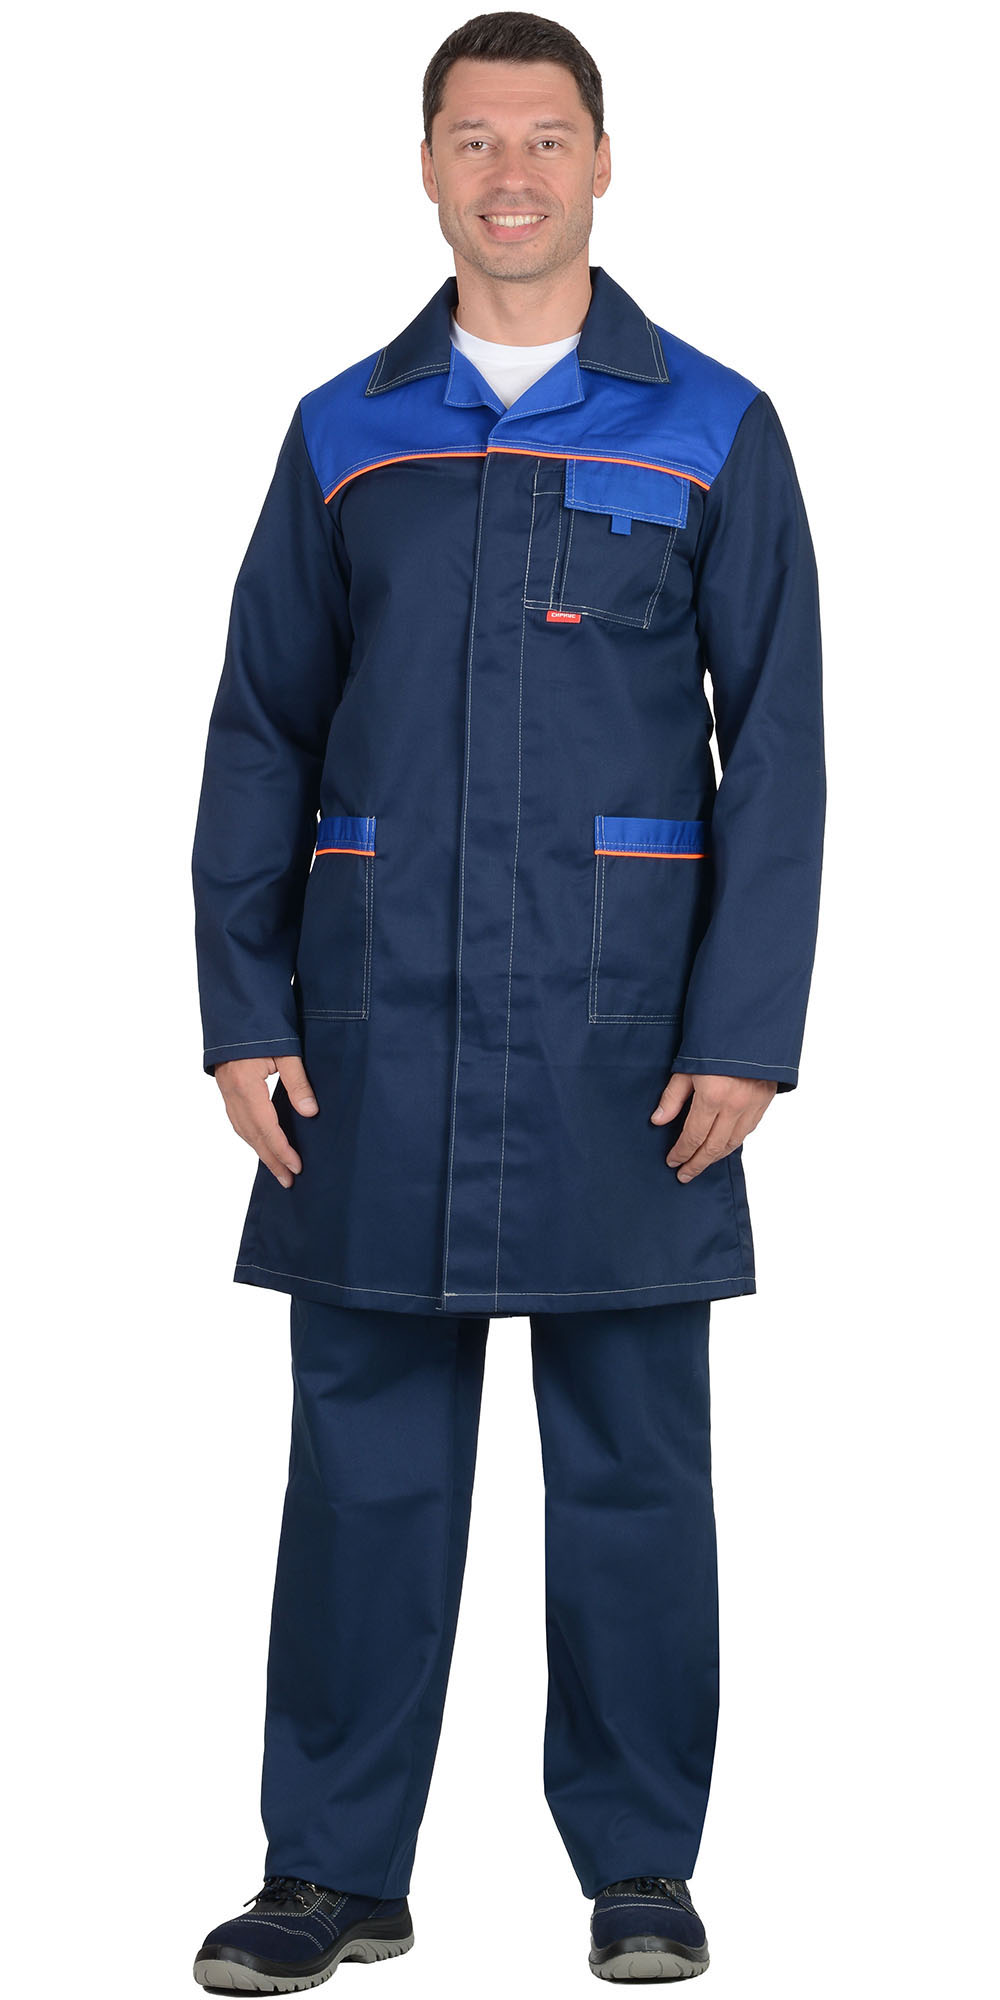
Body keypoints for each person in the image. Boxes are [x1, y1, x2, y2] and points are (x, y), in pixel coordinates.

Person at [189, 11, 825, 1988]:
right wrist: (242, 1009)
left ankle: (640, 1865)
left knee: (631, 1465)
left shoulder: (712, 425)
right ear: (426, 167)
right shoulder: (343, 431)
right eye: (474, 138)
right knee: (362, 1462)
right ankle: (329, 1869)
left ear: (603, 161)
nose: (512, 173)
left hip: (623, 1043)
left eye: (546, 136)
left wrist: (743, 1031)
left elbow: (777, 751)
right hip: (374, 1032)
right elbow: (261, 730)